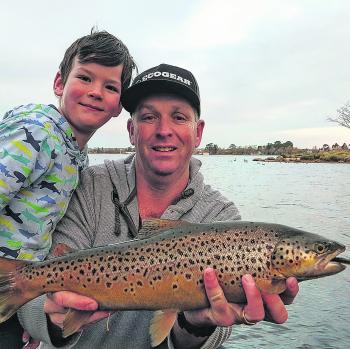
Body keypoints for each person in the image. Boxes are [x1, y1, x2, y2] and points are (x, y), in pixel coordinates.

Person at [18, 63, 299, 349]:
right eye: (149, 117)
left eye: (178, 117)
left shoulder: (220, 217)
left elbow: (216, 330)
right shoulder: (87, 186)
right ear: (131, 130)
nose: (164, 130)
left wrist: (194, 325)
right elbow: (32, 298)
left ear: (198, 132)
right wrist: (50, 317)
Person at [0, 29, 136, 348]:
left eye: (110, 86)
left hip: (15, 293)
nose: (95, 92)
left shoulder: (76, 155)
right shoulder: (36, 132)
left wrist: (26, 311)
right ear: (59, 83)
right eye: (85, 78)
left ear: (119, 106)